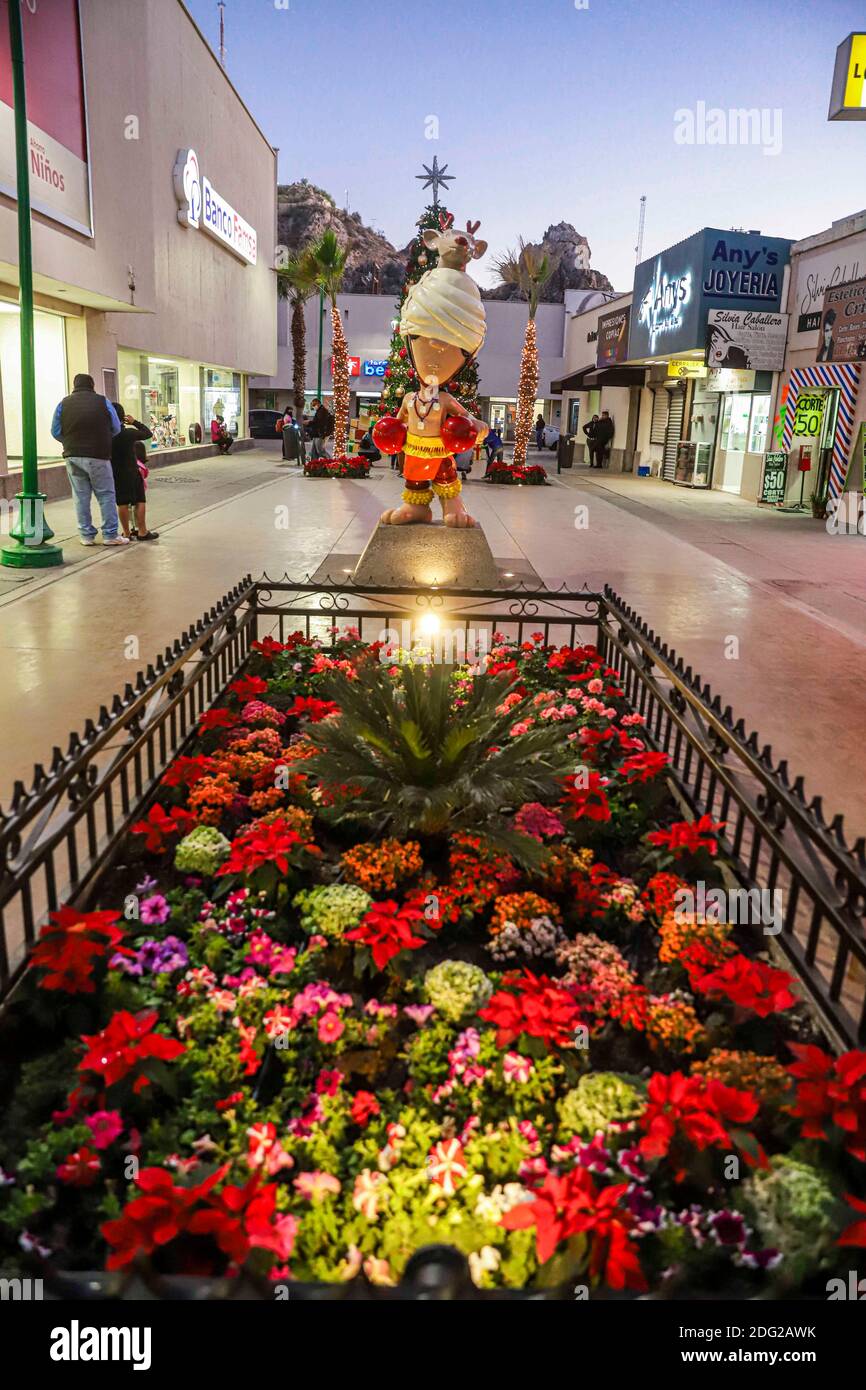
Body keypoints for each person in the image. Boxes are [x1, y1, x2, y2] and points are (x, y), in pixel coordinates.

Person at [50, 373, 128, 546]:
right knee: (106, 495)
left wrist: (71, 442)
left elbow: (55, 431)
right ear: (92, 385)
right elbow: (116, 427)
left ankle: (86, 536)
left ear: (74, 385)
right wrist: (103, 439)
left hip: (72, 456)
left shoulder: (63, 403)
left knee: (80, 496)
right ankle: (110, 535)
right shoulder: (103, 401)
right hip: (98, 455)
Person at [110, 404, 158, 540]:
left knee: (122, 502)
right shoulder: (129, 433)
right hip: (132, 470)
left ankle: (126, 533)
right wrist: (134, 422)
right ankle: (142, 531)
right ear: (122, 417)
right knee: (140, 500)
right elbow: (148, 433)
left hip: (117, 473)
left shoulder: (107, 434)